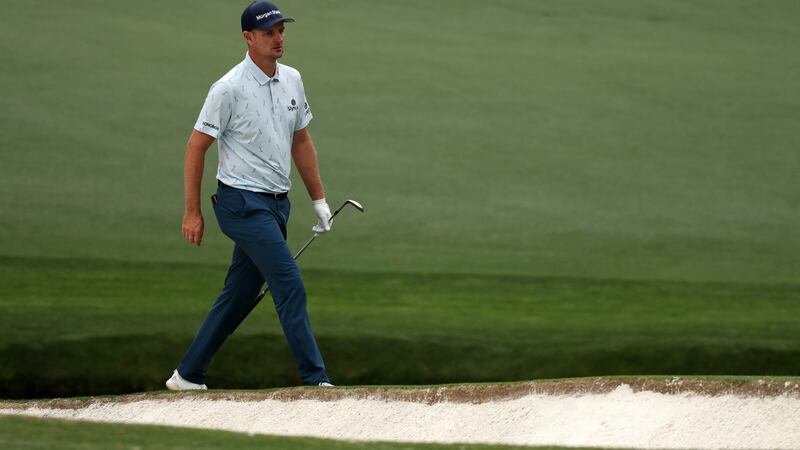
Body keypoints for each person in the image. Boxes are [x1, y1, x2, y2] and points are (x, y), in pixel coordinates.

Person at [166, 1, 333, 390]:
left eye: (281, 31)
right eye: (269, 32)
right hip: (240, 204)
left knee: (239, 293)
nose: (278, 38)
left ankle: (188, 374)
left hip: (277, 205)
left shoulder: (293, 79)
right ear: (248, 37)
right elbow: (196, 145)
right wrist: (192, 211)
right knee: (288, 281)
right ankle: (316, 380)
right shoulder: (228, 88)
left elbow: (302, 140)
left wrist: (319, 200)